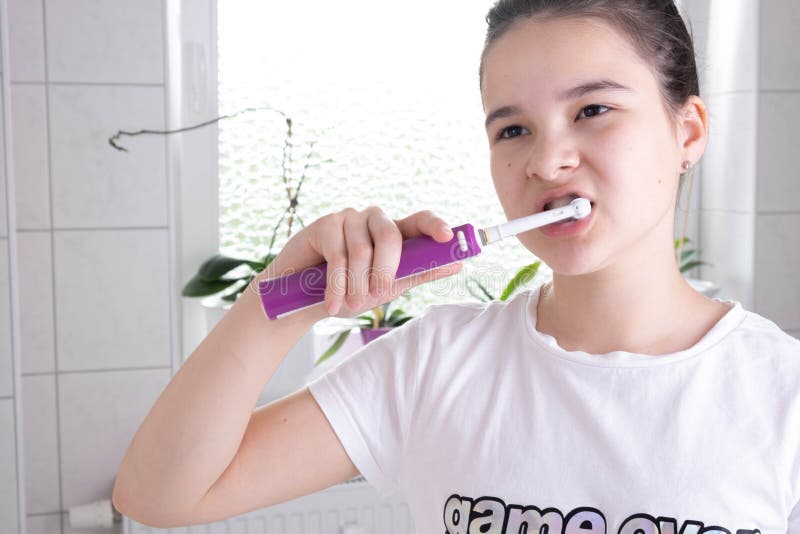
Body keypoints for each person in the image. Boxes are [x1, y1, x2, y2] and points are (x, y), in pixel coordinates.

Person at [112, 1, 800, 532]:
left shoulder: (782, 396)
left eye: (593, 110)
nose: (546, 160)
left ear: (688, 131)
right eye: (513, 129)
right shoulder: (435, 362)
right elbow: (157, 494)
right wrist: (289, 292)